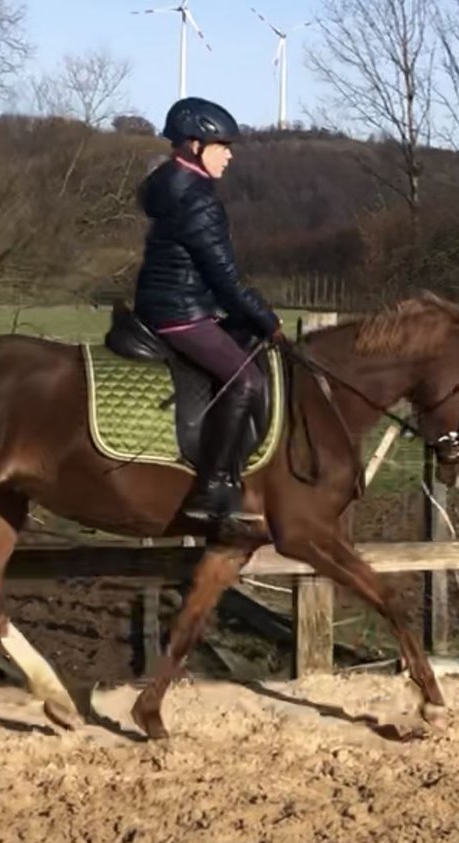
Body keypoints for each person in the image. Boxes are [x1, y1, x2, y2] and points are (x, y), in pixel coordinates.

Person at [133, 97, 283, 524]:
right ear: (194, 145)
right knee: (248, 380)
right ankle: (212, 487)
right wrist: (266, 319)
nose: (230, 155)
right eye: (223, 146)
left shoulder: (171, 187)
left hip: (171, 301)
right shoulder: (197, 201)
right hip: (179, 312)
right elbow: (227, 282)